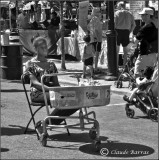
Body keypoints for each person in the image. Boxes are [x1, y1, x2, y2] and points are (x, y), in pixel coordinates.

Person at [24, 36, 79, 134]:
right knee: (61, 97)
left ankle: (44, 124)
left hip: (51, 92)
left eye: (46, 47)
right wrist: (51, 89)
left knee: (75, 99)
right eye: (42, 47)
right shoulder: (30, 64)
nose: (45, 49)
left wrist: (64, 91)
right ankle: (46, 124)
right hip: (38, 93)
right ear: (36, 49)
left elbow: (56, 83)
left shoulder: (51, 64)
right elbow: (35, 83)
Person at [133, 7, 158, 79]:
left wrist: (134, 39)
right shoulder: (154, 26)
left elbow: (136, 41)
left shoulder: (145, 28)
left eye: (143, 15)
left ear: (148, 16)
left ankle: (140, 88)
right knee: (148, 76)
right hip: (153, 54)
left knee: (137, 74)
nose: (141, 16)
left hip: (145, 55)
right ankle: (146, 89)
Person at [114, 1, 136, 66]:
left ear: (120, 6)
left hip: (118, 32)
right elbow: (134, 25)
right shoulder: (130, 13)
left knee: (117, 51)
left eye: (117, 6)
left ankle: (116, 66)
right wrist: (129, 31)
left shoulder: (116, 13)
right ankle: (124, 66)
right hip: (126, 32)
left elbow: (114, 24)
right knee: (125, 51)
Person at [87, 7, 102, 74]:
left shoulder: (92, 19)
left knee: (93, 55)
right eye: (99, 12)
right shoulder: (96, 19)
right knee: (96, 55)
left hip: (93, 39)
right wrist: (96, 37)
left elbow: (88, 27)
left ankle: (93, 68)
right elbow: (95, 29)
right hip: (97, 39)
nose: (100, 13)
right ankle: (95, 68)